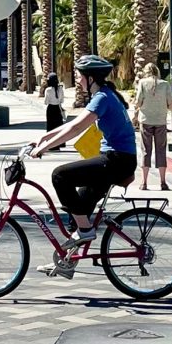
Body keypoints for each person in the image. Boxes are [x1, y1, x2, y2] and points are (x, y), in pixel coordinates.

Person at [30, 55, 137, 278]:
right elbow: (72, 123)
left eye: (79, 75)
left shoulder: (103, 98)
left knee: (60, 176)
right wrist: (44, 138)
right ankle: (67, 263)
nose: (77, 79)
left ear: (91, 78)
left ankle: (86, 231)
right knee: (77, 211)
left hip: (117, 160)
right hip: (116, 158)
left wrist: (45, 148)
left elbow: (77, 128)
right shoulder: (103, 95)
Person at [133, 62, 172, 191]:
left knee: (146, 150)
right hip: (161, 121)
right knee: (161, 150)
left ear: (146, 71)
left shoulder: (142, 83)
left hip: (146, 120)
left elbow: (138, 101)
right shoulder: (165, 84)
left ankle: (144, 182)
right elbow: (171, 104)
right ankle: (163, 182)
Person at [42, 72, 65, 148]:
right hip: (58, 108)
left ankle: (51, 144)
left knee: (51, 126)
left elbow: (46, 102)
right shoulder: (61, 88)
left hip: (51, 109)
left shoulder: (48, 90)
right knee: (58, 126)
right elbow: (62, 100)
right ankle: (60, 143)